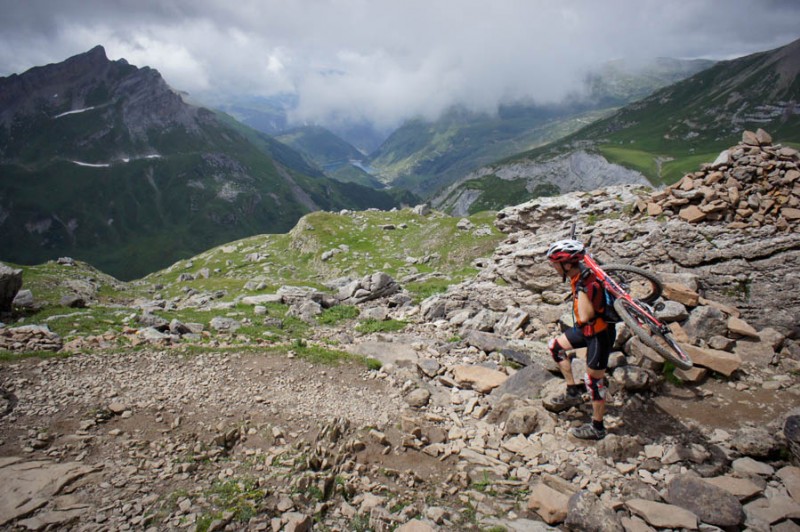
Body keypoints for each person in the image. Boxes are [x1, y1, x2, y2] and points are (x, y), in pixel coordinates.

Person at [543, 239, 616, 440]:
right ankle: (572, 391)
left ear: (567, 264)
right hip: (585, 331)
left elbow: (586, 316)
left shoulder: (586, 282)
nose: (554, 268)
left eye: (556, 264)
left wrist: (582, 289)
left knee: (593, 381)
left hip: (600, 335)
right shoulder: (578, 273)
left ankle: (597, 427)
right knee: (555, 347)